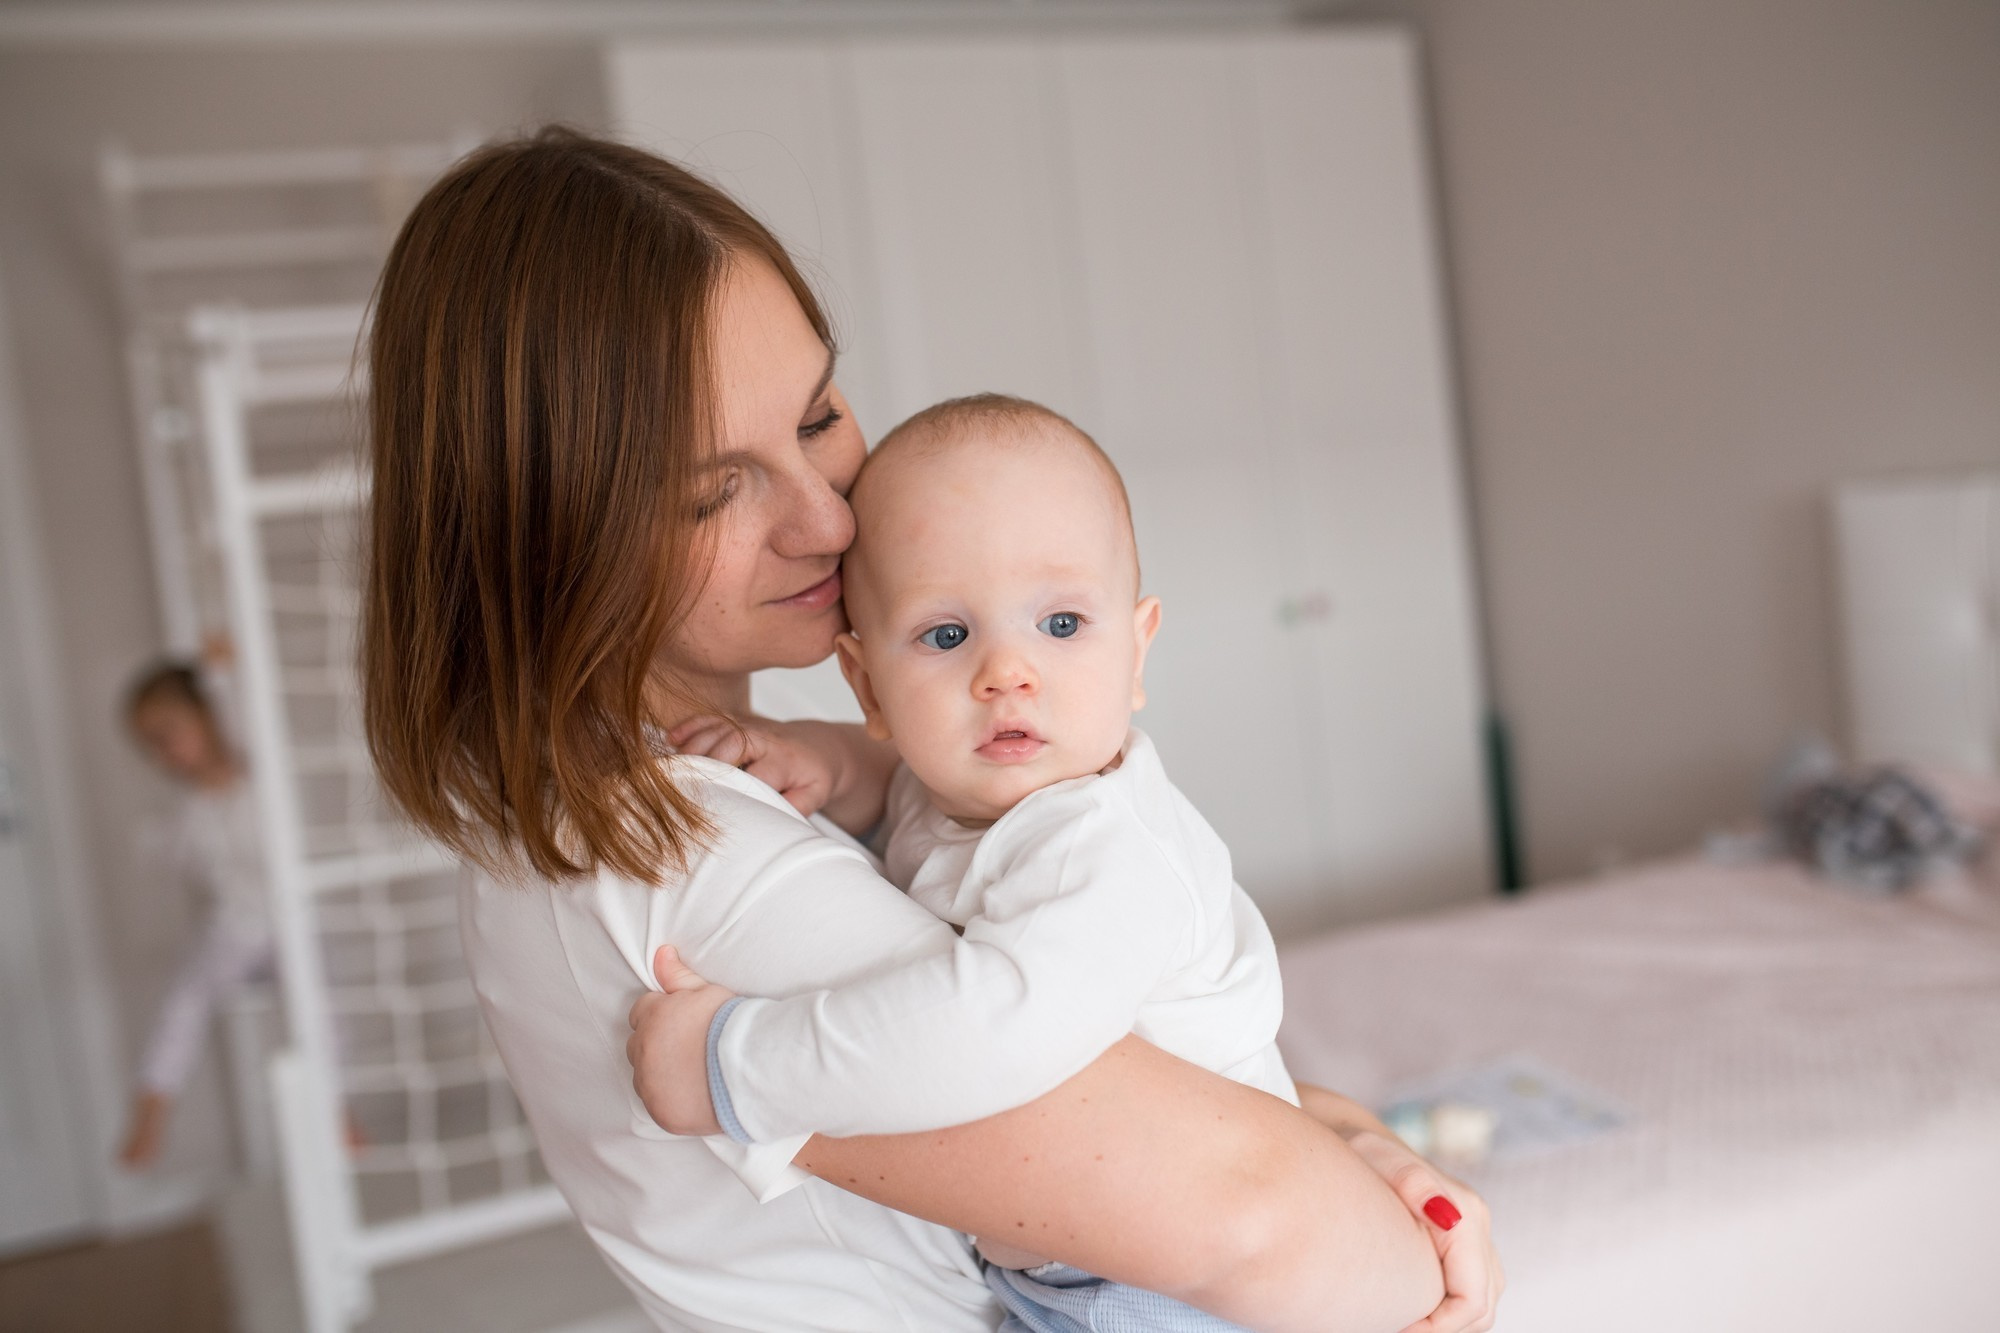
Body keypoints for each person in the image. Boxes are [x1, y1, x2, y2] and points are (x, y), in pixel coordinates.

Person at [360, 127, 1500, 1333]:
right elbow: (1259, 1216)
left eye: (815, 418)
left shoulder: (665, 797)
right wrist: (1357, 1191)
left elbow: (1129, 1090)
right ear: (547, 534)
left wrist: (1353, 1137)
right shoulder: (672, 854)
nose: (827, 520)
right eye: (711, 490)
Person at [631, 393, 1332, 1331]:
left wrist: (737, 1068)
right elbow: (905, 790)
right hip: (1077, 1255)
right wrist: (824, 759)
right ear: (867, 684)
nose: (1007, 671)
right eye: (948, 636)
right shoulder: (974, 787)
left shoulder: (1107, 852)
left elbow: (987, 1031)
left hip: (1173, 1285)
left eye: (1064, 624)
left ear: (1137, 648)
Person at [118, 651, 271, 1169]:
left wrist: (220, 671)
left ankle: (342, 1113)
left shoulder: (257, 770)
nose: (163, 758)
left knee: (321, 1002)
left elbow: (240, 704)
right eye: (151, 749)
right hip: (238, 927)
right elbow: (184, 858)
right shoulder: (193, 811)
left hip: (288, 921)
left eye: (166, 737)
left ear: (207, 716)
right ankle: (152, 1107)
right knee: (186, 995)